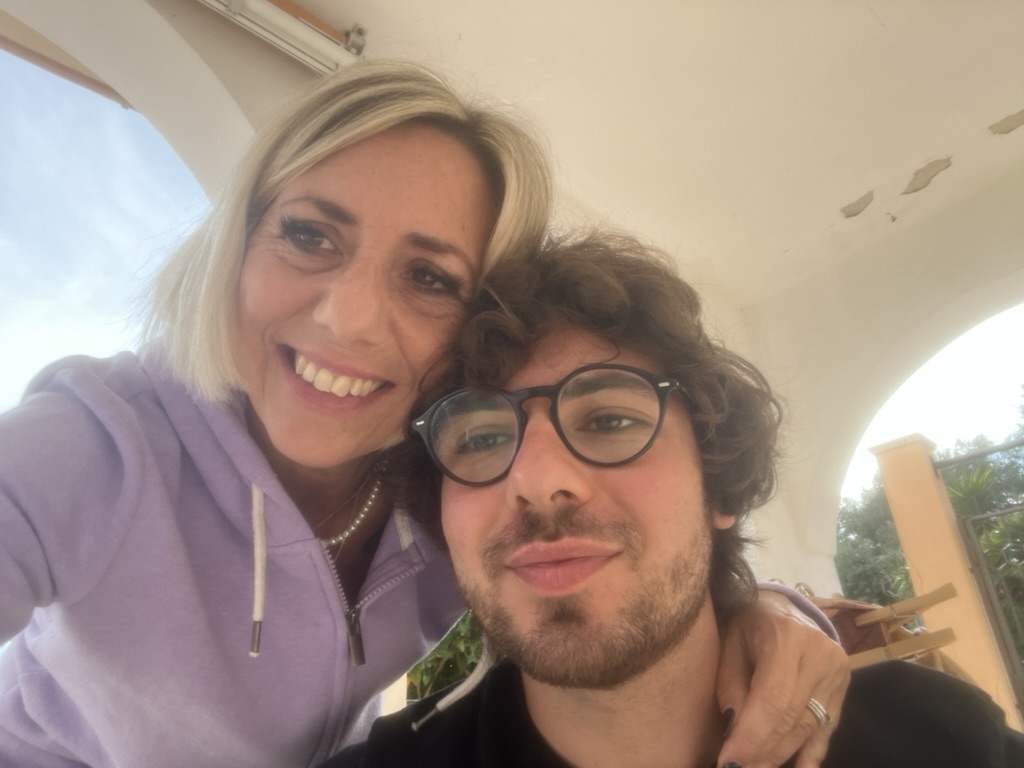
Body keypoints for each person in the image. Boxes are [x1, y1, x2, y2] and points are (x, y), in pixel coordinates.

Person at [0, 61, 843, 768]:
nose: (349, 319)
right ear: (238, 244)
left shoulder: (462, 481)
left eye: (430, 277)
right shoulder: (94, 444)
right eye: (310, 235)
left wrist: (771, 612)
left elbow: (636, 577)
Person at [329, 230, 1024, 768]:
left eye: (609, 421)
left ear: (719, 484)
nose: (536, 479)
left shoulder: (940, 738)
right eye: (480, 438)